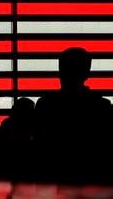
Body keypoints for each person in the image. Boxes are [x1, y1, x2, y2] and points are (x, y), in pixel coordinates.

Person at [33, 47, 113, 182]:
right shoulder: (101, 106)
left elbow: (40, 145)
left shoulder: (46, 104)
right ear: (87, 73)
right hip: (92, 176)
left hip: (54, 175)